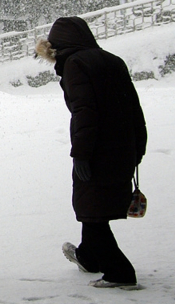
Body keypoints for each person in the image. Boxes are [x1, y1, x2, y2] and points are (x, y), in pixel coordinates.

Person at [35, 16, 147, 289]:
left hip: (98, 148)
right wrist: (139, 146)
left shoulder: (75, 64)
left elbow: (85, 112)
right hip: (123, 146)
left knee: (91, 210)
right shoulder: (112, 60)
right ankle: (88, 257)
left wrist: (81, 153)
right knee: (93, 206)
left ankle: (119, 272)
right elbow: (133, 106)